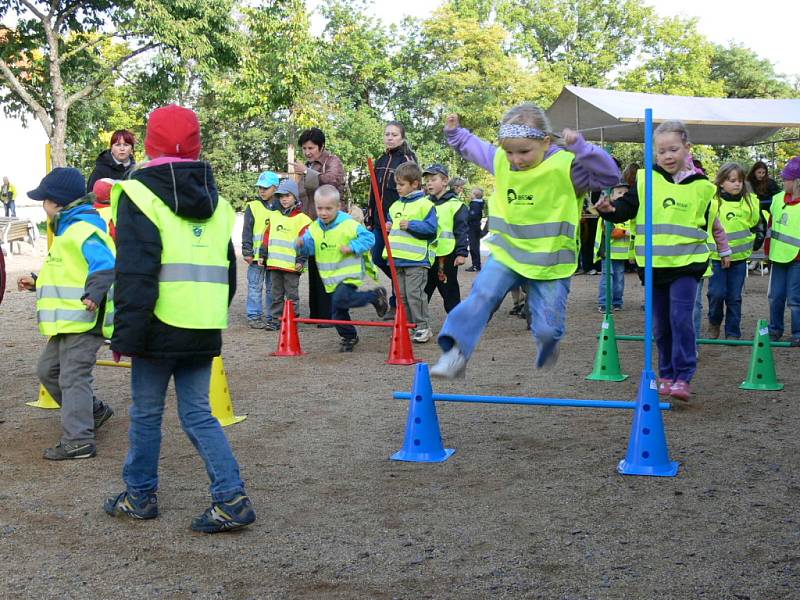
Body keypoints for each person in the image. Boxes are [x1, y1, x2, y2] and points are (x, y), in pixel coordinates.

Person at [105, 104, 255, 533]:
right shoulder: (219, 203)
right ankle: (230, 497)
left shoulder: (136, 194)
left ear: (149, 144)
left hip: (157, 323)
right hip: (203, 323)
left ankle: (139, 496)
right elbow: (226, 271)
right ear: (197, 145)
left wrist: (123, 337)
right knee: (198, 414)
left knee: (147, 413)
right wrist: (211, 315)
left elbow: (135, 272)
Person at [430, 104, 619, 380]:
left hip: (551, 262)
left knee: (546, 328)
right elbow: (474, 147)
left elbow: (610, 176)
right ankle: (456, 352)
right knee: (482, 295)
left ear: (545, 142)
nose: (516, 159)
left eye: (524, 152)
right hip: (508, 252)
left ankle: (548, 341)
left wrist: (582, 149)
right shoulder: (501, 161)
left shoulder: (566, 167)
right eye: (509, 151)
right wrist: (455, 133)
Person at [596, 120, 730, 402]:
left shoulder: (704, 187)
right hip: (654, 267)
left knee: (681, 318)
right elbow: (627, 208)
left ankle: (684, 376)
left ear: (687, 149)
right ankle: (666, 373)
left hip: (686, 265)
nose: (668, 156)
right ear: (654, 153)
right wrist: (610, 210)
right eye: (661, 151)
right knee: (660, 325)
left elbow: (709, 225)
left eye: (673, 149)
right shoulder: (645, 180)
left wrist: (723, 250)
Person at [17, 167, 115, 460]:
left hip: (84, 319)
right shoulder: (67, 230)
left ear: (57, 202)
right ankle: (93, 411)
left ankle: (79, 440)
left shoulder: (84, 229)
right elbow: (68, 273)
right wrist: (38, 282)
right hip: (67, 322)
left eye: (44, 200)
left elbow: (105, 264)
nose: (42, 206)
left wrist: (95, 294)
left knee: (73, 377)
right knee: (48, 371)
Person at [296, 185, 388, 351]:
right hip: (330, 278)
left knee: (340, 300)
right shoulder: (314, 228)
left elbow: (369, 239)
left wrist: (353, 246)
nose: (323, 213)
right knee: (337, 312)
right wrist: (301, 244)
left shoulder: (348, 224)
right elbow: (310, 249)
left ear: (338, 207)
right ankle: (349, 337)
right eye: (319, 208)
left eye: (328, 209)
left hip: (348, 275)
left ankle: (374, 296)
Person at [291, 128, 345, 323]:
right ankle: (318, 313)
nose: (307, 152)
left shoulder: (332, 161)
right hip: (312, 223)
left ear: (321, 146)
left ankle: (332, 314)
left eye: (311, 148)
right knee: (314, 267)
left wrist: (306, 172)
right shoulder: (307, 166)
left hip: (331, 223)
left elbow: (333, 181)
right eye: (304, 148)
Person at [366, 121, 418, 321]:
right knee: (378, 256)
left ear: (402, 138)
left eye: (394, 134)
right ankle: (400, 286)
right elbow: (373, 191)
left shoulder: (407, 159)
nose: (389, 137)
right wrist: (370, 216)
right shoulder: (380, 160)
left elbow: (413, 190)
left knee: (397, 262)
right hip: (379, 221)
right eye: (387, 134)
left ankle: (398, 303)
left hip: (398, 221)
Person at [705, 163, 764, 339]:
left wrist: (757, 239)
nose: (737, 184)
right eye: (732, 180)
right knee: (716, 294)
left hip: (739, 258)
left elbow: (758, 223)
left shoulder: (751, 201)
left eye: (740, 180)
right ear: (721, 182)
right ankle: (714, 323)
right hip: (717, 257)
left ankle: (732, 331)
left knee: (734, 297)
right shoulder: (713, 202)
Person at [384, 162, 438, 343]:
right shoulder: (394, 206)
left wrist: (412, 225)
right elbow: (391, 224)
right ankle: (406, 326)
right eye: (397, 184)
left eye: (401, 184)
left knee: (415, 294)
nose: (397, 188)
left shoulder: (426, 205)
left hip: (416, 260)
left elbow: (431, 229)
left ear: (414, 184)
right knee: (401, 296)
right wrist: (388, 226)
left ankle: (422, 327)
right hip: (397, 259)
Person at [262, 179, 311, 329]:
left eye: (287, 196)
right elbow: (266, 237)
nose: (283, 199)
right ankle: (276, 321)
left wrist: (301, 261)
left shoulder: (303, 220)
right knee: (276, 295)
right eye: (281, 196)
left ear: (295, 197)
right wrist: (263, 256)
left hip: (292, 267)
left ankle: (292, 321)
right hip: (274, 264)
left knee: (291, 296)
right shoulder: (274, 216)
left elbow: (305, 243)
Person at [422, 164, 468, 314]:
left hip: (446, 257)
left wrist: (461, 253)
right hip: (426, 257)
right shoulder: (423, 204)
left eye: (433, 179)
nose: (429, 183)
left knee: (450, 293)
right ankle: (419, 325)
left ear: (445, 181)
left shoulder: (456, 205)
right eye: (427, 180)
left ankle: (457, 326)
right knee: (422, 293)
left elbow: (461, 231)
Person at [766, 157, 800, 344]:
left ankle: (798, 334)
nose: (783, 181)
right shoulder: (777, 199)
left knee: (795, 299)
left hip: (797, 259)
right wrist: (767, 250)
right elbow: (771, 227)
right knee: (776, 296)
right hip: (778, 256)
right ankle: (775, 330)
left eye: (786, 178)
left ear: (796, 181)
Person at [242, 171, 279, 328]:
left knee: (273, 288)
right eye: (260, 188)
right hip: (256, 257)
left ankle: (272, 316)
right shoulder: (253, 206)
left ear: (275, 188)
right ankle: (254, 316)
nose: (262, 191)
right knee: (255, 287)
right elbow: (247, 230)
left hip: (275, 257)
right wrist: (247, 251)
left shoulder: (281, 206)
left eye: (266, 188)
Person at [595, 181, 632, 312]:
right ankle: (604, 302)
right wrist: (625, 232)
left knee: (619, 278)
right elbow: (610, 232)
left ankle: (617, 301)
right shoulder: (607, 213)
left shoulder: (628, 214)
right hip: (607, 252)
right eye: (619, 193)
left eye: (625, 193)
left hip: (621, 254)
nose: (622, 195)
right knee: (607, 278)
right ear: (611, 196)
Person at [466, 187, 485, 272]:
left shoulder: (474, 205)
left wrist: (465, 219)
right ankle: (477, 264)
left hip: (473, 227)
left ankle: (476, 265)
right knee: (475, 246)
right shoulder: (478, 204)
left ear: (475, 195)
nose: (470, 194)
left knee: (473, 247)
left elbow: (471, 216)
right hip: (476, 226)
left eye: (471, 193)